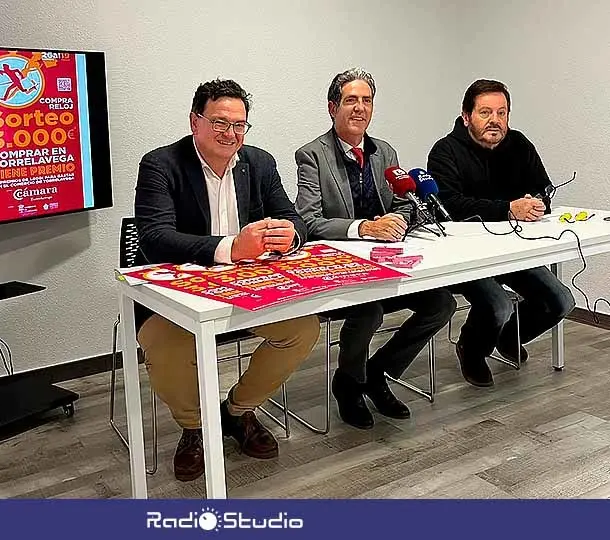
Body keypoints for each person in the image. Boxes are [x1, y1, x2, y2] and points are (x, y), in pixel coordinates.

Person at [133, 78, 320, 481]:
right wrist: (231, 247)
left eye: (239, 125)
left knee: (303, 328)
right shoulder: (160, 164)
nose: (230, 134)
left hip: (250, 289)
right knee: (166, 347)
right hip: (175, 294)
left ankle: (236, 411)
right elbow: (154, 237)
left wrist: (292, 234)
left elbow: (294, 218)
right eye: (220, 123)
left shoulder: (260, 162)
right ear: (194, 122)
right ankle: (194, 427)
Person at [294, 67, 456, 429]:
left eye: (367, 101)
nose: (360, 108)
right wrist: (364, 228)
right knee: (369, 312)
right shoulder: (311, 156)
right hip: (343, 266)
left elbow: (403, 201)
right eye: (351, 100)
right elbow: (308, 220)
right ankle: (348, 382)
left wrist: (400, 220)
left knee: (442, 303)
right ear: (332, 107)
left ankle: (378, 371)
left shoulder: (385, 152)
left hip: (388, 261)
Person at [427, 78, 575, 387]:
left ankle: (509, 335)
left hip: (515, 249)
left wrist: (537, 203)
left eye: (502, 112)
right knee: (499, 304)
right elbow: (450, 207)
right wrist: (507, 209)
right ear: (467, 116)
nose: (495, 120)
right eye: (485, 112)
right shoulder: (445, 151)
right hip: (465, 255)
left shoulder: (519, 143)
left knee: (561, 301)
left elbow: (541, 187)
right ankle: (471, 348)